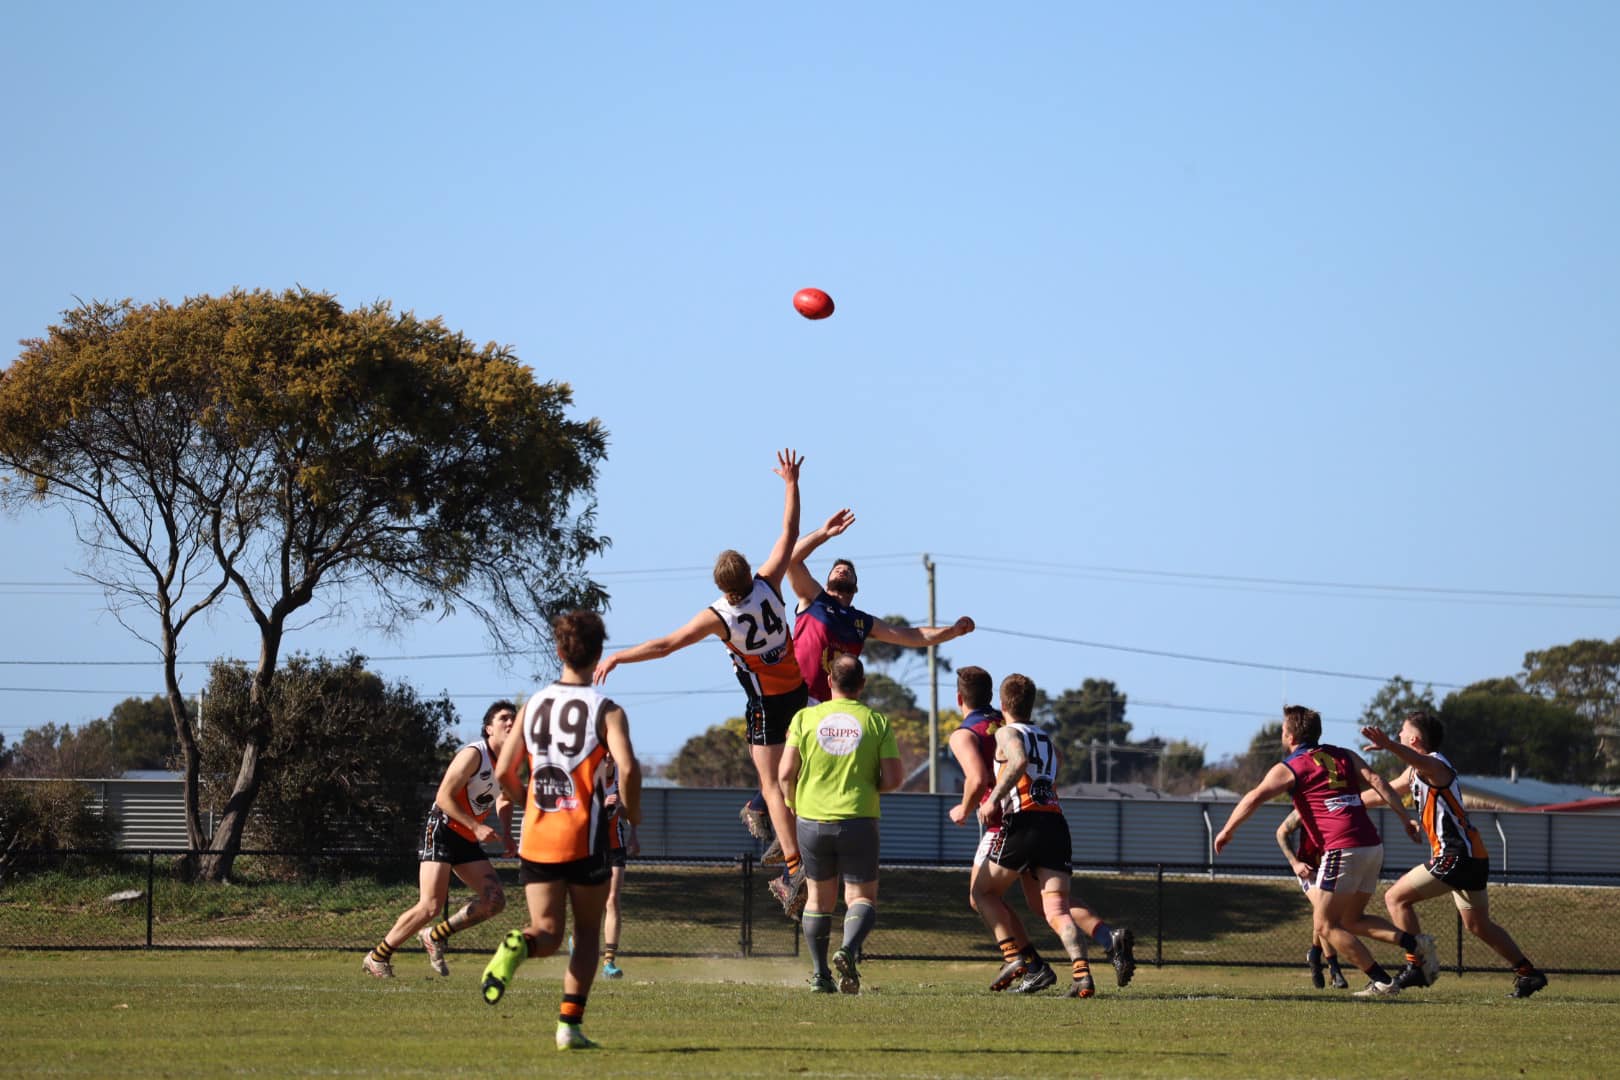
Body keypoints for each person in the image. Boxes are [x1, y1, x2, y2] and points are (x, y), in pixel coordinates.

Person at [594, 450, 809, 917]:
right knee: (790, 780)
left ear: (719, 584)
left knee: (770, 782)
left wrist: (618, 656)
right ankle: (789, 842)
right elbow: (789, 533)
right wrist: (790, 482)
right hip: (798, 691)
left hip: (767, 704)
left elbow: (666, 645)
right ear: (749, 573)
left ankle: (795, 867)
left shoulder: (720, 617)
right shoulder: (770, 584)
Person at [480, 610, 641, 1051]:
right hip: (583, 837)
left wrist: (531, 795)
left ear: (558, 650)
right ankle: (568, 1027)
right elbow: (627, 767)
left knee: (546, 933)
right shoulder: (607, 710)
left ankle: (517, 945)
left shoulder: (532, 706)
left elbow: (506, 775)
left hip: (537, 835)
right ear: (598, 653)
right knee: (587, 933)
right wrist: (631, 811)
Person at [1214, 705, 1433, 999]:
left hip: (1343, 847)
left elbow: (1254, 797)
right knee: (1352, 920)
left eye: (1282, 729)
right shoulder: (1344, 754)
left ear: (1290, 734)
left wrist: (1228, 829)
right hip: (1372, 845)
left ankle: (1381, 982)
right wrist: (1404, 818)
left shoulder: (1291, 766)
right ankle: (1414, 943)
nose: (1282, 733)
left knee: (1326, 926)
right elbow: (1377, 781)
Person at [947, 666, 1134, 996]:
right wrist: (1040, 786)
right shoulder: (1043, 735)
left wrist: (988, 801)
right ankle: (1090, 963)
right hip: (1054, 821)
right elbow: (1055, 760)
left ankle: (1020, 960)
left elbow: (1006, 766)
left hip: (1018, 822)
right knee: (1051, 907)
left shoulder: (994, 732)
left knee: (982, 894)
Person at [1361, 713, 1549, 998]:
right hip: (1473, 856)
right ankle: (1528, 974)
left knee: (1395, 898)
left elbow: (1422, 763)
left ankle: (1417, 965)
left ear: (1414, 740)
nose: (1398, 734)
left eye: (1401, 731)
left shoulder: (1436, 764)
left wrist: (1387, 744)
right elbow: (1383, 793)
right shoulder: (1414, 772)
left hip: (1456, 856)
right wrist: (1340, 802)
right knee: (1478, 925)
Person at [364, 700, 518, 979]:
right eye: (504, 718)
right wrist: (476, 825)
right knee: (431, 905)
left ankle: (435, 936)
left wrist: (507, 834)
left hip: (466, 837)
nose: (511, 722)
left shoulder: (510, 762)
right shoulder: (474, 754)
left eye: (514, 718)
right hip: (443, 828)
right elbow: (443, 797)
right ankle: (378, 957)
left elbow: (505, 797)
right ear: (488, 729)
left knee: (495, 900)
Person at [777, 655, 903, 994]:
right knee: (861, 897)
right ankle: (846, 949)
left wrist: (793, 803)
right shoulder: (876, 722)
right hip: (859, 818)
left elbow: (785, 774)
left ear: (829, 681)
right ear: (861, 684)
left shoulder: (804, 718)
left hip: (811, 819)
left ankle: (820, 975)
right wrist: (867, 786)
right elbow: (894, 778)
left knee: (818, 899)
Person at [1274, 808, 1349, 990]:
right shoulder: (1306, 808)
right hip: (1309, 871)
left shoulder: (1341, 807)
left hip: (1331, 868)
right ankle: (1334, 969)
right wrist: (1295, 863)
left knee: (1327, 916)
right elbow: (1281, 832)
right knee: (1325, 914)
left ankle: (1315, 954)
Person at [600, 752, 639, 980]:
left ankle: (609, 961)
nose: (607, 755)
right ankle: (578, 937)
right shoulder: (587, 774)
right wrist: (600, 803)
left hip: (615, 844)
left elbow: (630, 809)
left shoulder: (622, 778)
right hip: (589, 844)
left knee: (612, 898)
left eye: (611, 751)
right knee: (590, 899)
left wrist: (634, 834)